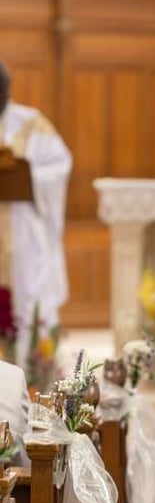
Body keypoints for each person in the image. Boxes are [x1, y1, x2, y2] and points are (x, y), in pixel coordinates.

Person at [0, 60, 72, 367]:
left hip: (21, 226)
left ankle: (29, 369)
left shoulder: (31, 123)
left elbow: (60, 166)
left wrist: (27, 176)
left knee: (27, 296)